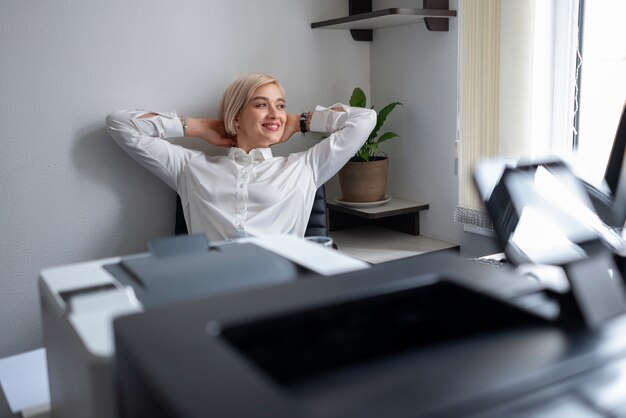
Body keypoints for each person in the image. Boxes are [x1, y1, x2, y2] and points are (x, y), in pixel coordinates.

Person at [106, 73, 376, 242]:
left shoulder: (305, 166)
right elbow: (120, 125)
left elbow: (365, 119)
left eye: (280, 105)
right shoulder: (190, 167)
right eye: (261, 104)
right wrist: (196, 127)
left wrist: (300, 121)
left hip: (280, 292)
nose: (274, 113)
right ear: (235, 118)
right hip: (213, 293)